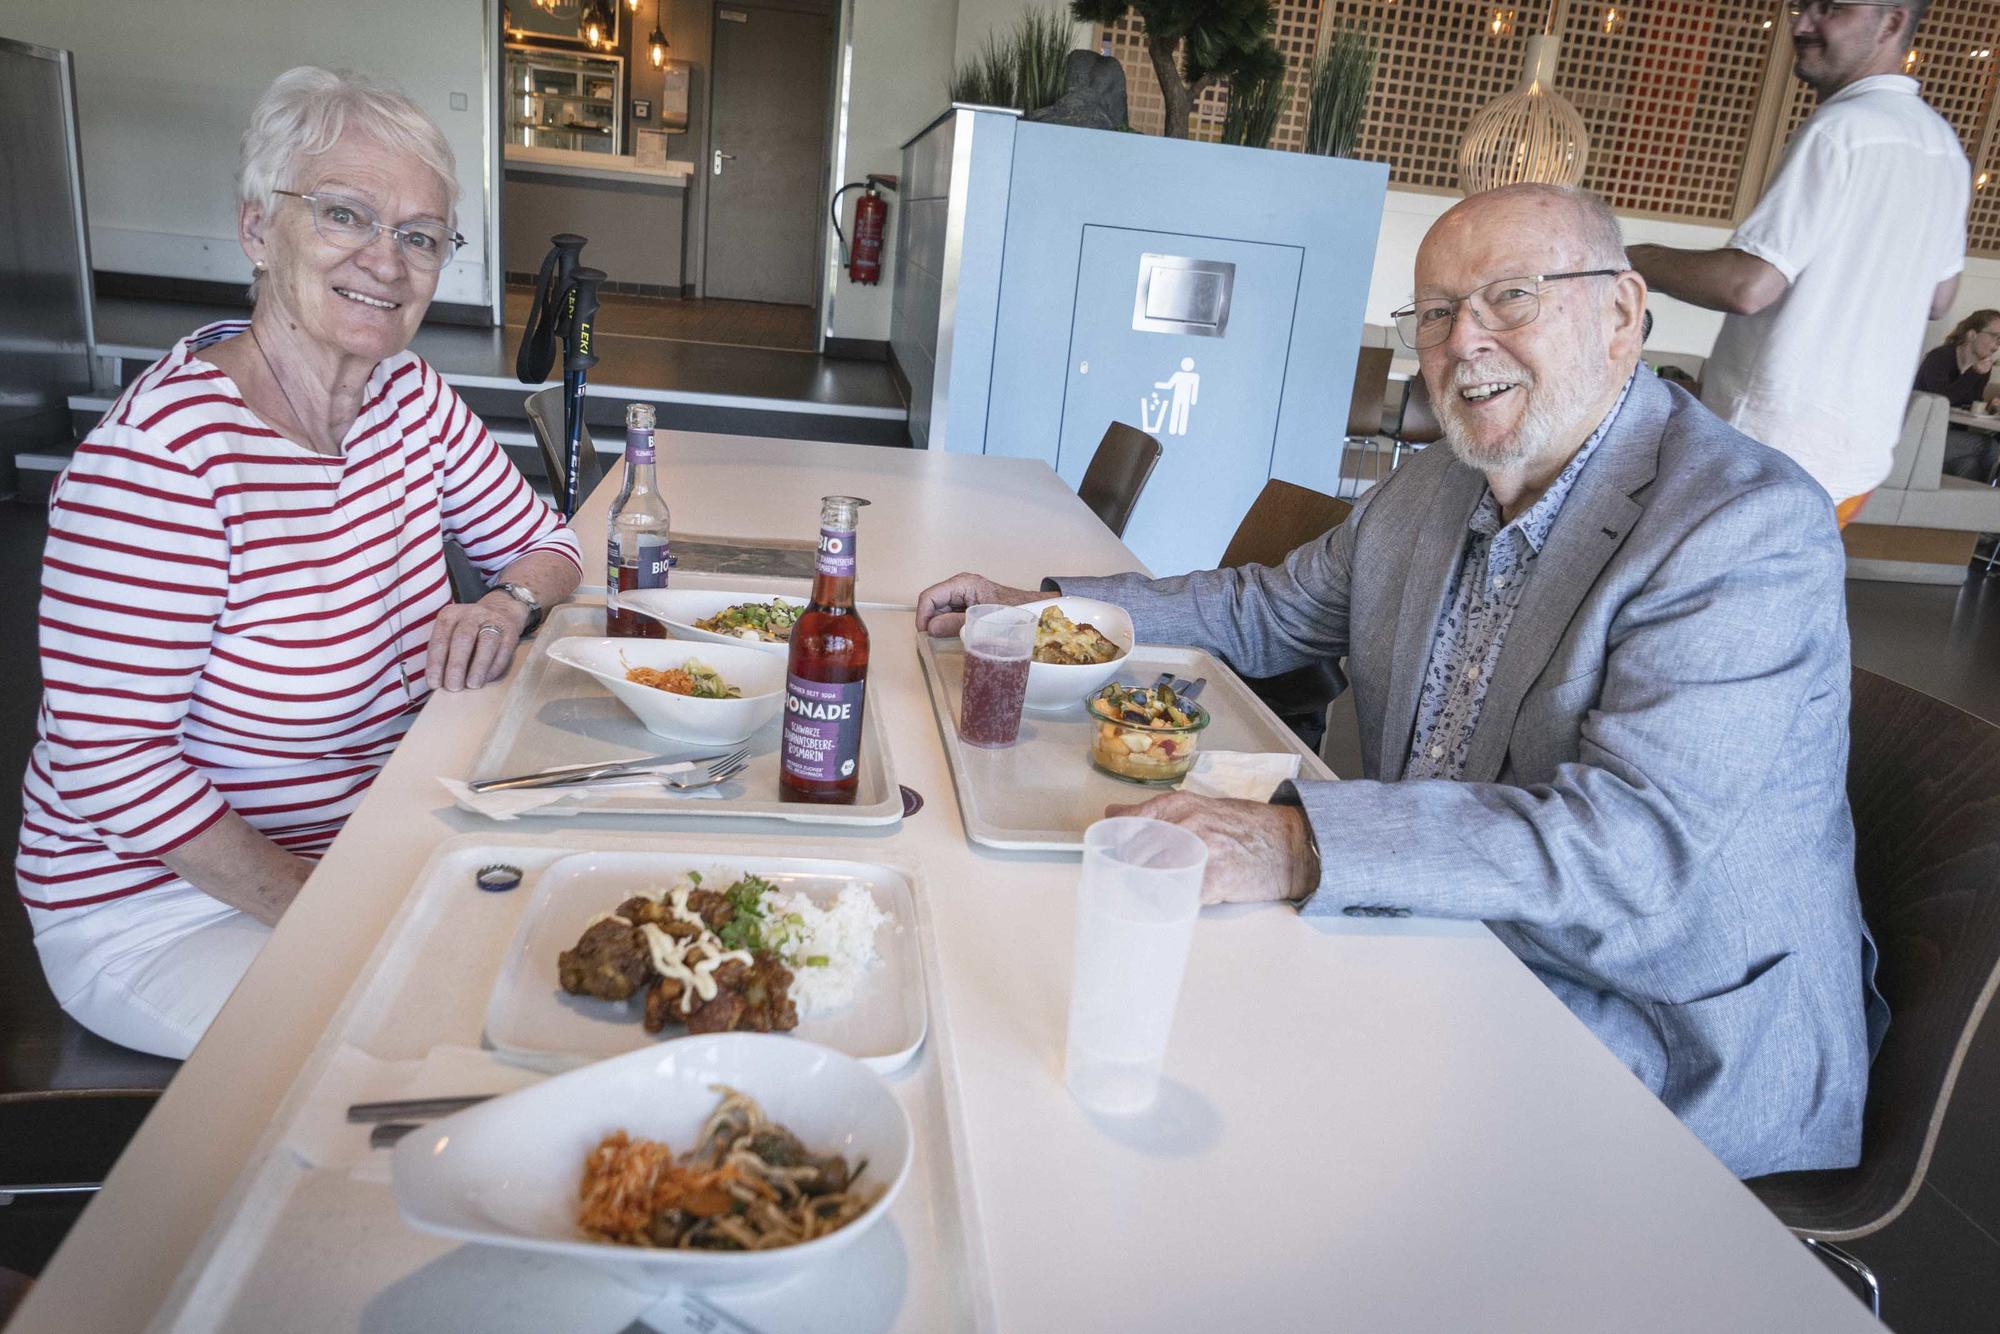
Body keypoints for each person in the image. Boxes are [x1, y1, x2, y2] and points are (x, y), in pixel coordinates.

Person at [917, 184, 1884, 1180]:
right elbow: (1264, 609)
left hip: (1656, 1020)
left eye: (1510, 296)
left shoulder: (1740, 526)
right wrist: (1036, 612)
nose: (1462, 340)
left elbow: (1628, 845)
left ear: (1621, 313)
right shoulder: (1433, 485)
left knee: (1246, 1117)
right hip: (1444, 937)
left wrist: (1295, 843)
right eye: (1432, 313)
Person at [16, 67, 582, 1059]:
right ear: (255, 229)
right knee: (455, 1042)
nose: (386, 260)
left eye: (418, 234)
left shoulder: (407, 397)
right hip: (166, 911)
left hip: (369, 845)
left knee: (580, 959)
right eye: (343, 215)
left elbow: (553, 541)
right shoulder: (164, 463)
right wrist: (340, 912)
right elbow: (114, 763)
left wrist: (504, 603)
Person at [1627, 0, 1968, 525]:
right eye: (1800, 6)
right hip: (1855, 462)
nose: (1802, 25)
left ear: (1893, 22)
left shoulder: (1840, 130)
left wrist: (1630, 258)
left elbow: (1748, 286)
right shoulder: (1943, 147)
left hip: (1766, 453)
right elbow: (1941, 297)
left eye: (1830, 8)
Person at [1917, 310, 2000, 481]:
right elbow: (1940, 401)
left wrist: (1990, 406)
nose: (1997, 344)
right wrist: (1974, 373)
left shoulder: (1982, 368)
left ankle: (1968, 506)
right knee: (1990, 446)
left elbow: (1970, 404)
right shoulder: (1939, 357)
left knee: (1969, 465)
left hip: (1951, 435)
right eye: (1995, 336)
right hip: (1920, 433)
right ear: (1972, 334)